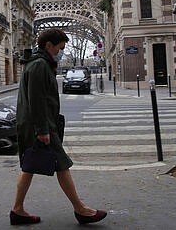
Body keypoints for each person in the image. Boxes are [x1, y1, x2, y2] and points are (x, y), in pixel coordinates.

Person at [10, 28, 107, 225]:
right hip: (40, 125)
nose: (61, 52)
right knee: (62, 164)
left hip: (37, 124)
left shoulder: (39, 63)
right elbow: (36, 100)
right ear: (49, 45)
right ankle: (80, 209)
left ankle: (17, 210)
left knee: (29, 165)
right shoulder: (38, 65)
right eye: (60, 48)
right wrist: (43, 130)